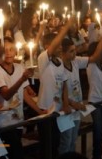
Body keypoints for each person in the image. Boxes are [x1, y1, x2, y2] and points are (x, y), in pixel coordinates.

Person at [0, 37, 45, 159]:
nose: (8, 53)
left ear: (16, 51)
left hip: (18, 121)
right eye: (5, 50)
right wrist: (22, 79)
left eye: (11, 49)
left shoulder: (19, 68)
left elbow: (24, 95)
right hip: (4, 123)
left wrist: (40, 112)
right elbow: (6, 95)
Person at [59, 37, 102, 154]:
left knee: (74, 139)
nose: (75, 53)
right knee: (66, 140)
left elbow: (94, 58)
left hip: (77, 108)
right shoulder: (58, 68)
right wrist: (74, 104)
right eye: (71, 51)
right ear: (63, 53)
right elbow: (58, 92)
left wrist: (101, 40)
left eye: (75, 50)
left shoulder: (75, 61)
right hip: (65, 109)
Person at [37, 17, 74, 159]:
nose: (60, 47)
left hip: (57, 109)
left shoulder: (59, 61)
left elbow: (64, 84)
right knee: (47, 145)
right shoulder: (43, 59)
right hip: (45, 109)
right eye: (57, 45)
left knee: (56, 142)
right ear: (48, 46)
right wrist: (65, 28)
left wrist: (65, 103)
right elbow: (54, 45)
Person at [86, 41, 102, 159]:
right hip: (95, 101)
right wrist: (101, 39)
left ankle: (98, 153)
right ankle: (97, 155)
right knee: (98, 130)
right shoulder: (91, 66)